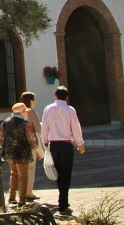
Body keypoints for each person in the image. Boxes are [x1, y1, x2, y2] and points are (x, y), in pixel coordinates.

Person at [41, 86, 85, 216]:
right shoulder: (70, 110)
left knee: (58, 173)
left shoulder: (48, 109)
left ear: (55, 96)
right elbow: (76, 128)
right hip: (66, 145)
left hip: (53, 145)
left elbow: (45, 127)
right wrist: (80, 143)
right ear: (66, 97)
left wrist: (45, 142)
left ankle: (62, 200)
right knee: (66, 174)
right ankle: (63, 203)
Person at [0, 101, 38, 207]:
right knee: (23, 177)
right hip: (23, 153)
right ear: (22, 112)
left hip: (10, 152)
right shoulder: (25, 124)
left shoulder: (6, 122)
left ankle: (11, 197)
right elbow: (32, 138)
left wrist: (7, 145)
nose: (26, 113)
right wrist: (35, 147)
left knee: (13, 173)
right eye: (25, 111)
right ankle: (22, 200)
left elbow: (0, 135)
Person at [20, 90, 43, 201]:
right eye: (34, 99)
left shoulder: (18, 112)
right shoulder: (31, 112)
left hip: (19, 143)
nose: (35, 101)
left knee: (20, 170)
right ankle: (29, 192)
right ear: (31, 100)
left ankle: (21, 193)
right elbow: (38, 128)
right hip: (30, 142)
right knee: (31, 168)